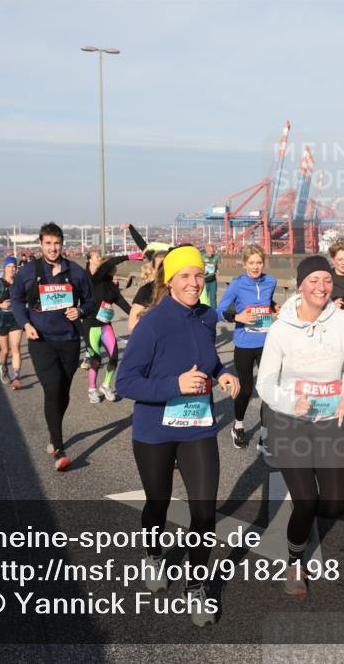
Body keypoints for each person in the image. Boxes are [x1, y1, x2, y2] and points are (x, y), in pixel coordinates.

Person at [116, 244, 240, 627]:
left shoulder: (207, 316)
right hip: (155, 430)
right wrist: (175, 384)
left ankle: (196, 585)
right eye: (185, 276)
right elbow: (125, 381)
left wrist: (221, 372)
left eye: (199, 275)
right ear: (169, 280)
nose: (193, 282)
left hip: (197, 426)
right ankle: (154, 553)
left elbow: (209, 356)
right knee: (158, 502)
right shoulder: (152, 322)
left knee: (204, 512)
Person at [257, 255, 344, 597]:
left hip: (329, 418)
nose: (321, 287)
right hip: (289, 420)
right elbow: (265, 383)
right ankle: (294, 563)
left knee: (336, 505)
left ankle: (305, 508)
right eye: (314, 280)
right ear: (300, 285)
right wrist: (289, 402)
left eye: (327, 280)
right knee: (306, 500)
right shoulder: (280, 329)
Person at [10, 223, 94, 471]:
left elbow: (91, 302)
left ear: (62, 244)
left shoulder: (76, 272)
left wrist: (79, 310)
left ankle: (52, 431)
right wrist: (25, 324)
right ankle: (59, 448)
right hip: (41, 340)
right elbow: (16, 299)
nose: (52, 248)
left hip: (68, 340)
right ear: (41, 244)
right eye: (48, 243)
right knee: (52, 388)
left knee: (63, 393)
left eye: (56, 243)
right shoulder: (27, 272)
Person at [217, 244, 279, 453]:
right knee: (245, 389)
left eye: (259, 262)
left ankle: (265, 434)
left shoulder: (271, 281)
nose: (255, 266)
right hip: (244, 343)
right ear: (244, 264)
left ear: (264, 262)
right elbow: (220, 311)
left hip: (266, 344)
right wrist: (238, 317)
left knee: (268, 390)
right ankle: (238, 426)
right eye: (251, 263)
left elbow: (268, 301)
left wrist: (274, 307)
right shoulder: (237, 284)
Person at [83, 251, 134, 403]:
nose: (113, 271)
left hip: (105, 325)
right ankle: (92, 389)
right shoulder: (94, 278)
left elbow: (122, 303)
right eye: (96, 257)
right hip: (90, 325)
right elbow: (108, 264)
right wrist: (130, 256)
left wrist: (136, 315)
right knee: (96, 360)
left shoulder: (111, 286)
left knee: (113, 357)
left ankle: (106, 385)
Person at [0, 257, 24, 388]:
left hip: (16, 319)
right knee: (4, 350)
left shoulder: (20, 283)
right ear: (4, 268)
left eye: (14, 266)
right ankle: (3, 367)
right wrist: (0, 305)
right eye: (9, 266)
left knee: (16, 348)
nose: (12, 269)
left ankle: (16, 377)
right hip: (0, 319)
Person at [128, 251, 167, 333]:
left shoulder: (180, 289)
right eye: (160, 268)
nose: (163, 271)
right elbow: (132, 326)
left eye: (167, 267)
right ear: (153, 270)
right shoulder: (146, 290)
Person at [199, 243, 220, 308]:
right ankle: (202, 313)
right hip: (204, 281)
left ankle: (214, 313)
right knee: (204, 299)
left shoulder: (216, 257)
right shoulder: (202, 257)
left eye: (213, 251)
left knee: (213, 298)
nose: (211, 253)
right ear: (206, 250)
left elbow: (217, 267)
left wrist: (217, 271)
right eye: (210, 251)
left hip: (213, 281)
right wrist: (203, 272)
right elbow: (198, 268)